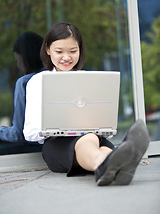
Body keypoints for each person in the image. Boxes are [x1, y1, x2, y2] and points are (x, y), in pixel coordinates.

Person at [23, 22, 149, 186]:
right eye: (59, 51)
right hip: (56, 145)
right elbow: (29, 132)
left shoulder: (89, 79)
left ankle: (111, 166)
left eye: (73, 51)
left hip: (94, 140)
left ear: (80, 50)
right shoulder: (38, 81)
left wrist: (103, 128)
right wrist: (53, 129)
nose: (67, 57)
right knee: (92, 142)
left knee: (103, 147)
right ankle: (115, 163)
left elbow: (102, 121)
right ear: (47, 50)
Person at [0, 31, 44, 142]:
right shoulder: (57, 77)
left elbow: (17, 133)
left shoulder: (25, 82)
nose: (18, 65)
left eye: (18, 60)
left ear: (26, 58)